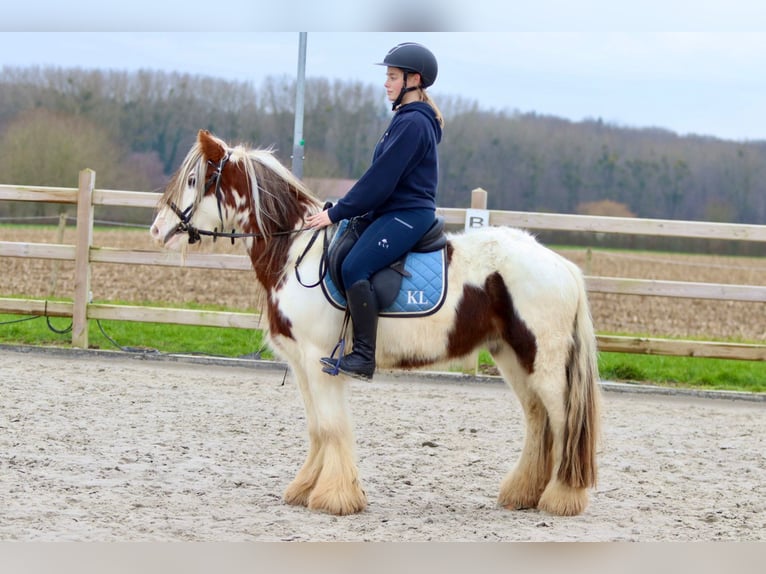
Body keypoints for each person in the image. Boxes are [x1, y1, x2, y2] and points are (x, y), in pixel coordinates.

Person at [305, 41, 444, 380]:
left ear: (414, 79)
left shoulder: (413, 124)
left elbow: (379, 180)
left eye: (393, 76)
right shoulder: (405, 120)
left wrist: (338, 212)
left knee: (355, 267)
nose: (386, 83)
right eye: (387, 76)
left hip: (408, 214)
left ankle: (364, 357)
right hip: (393, 210)